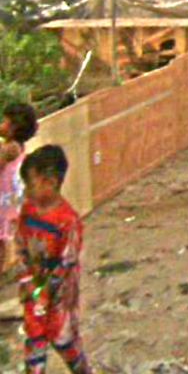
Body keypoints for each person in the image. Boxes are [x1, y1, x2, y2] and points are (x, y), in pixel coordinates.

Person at [16, 145, 92, 374]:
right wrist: (27, 281)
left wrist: (46, 292)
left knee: (64, 342)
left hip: (60, 297)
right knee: (34, 342)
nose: (26, 190)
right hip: (34, 288)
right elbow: (21, 246)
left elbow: (66, 263)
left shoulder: (68, 221)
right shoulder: (28, 211)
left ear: (49, 182)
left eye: (30, 184)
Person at [0, 103, 38, 273]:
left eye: (5, 122)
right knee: (8, 227)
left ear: (14, 128)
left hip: (5, 194)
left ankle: (8, 259)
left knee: (4, 230)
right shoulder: (15, 145)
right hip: (12, 193)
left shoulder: (11, 148)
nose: (1, 125)